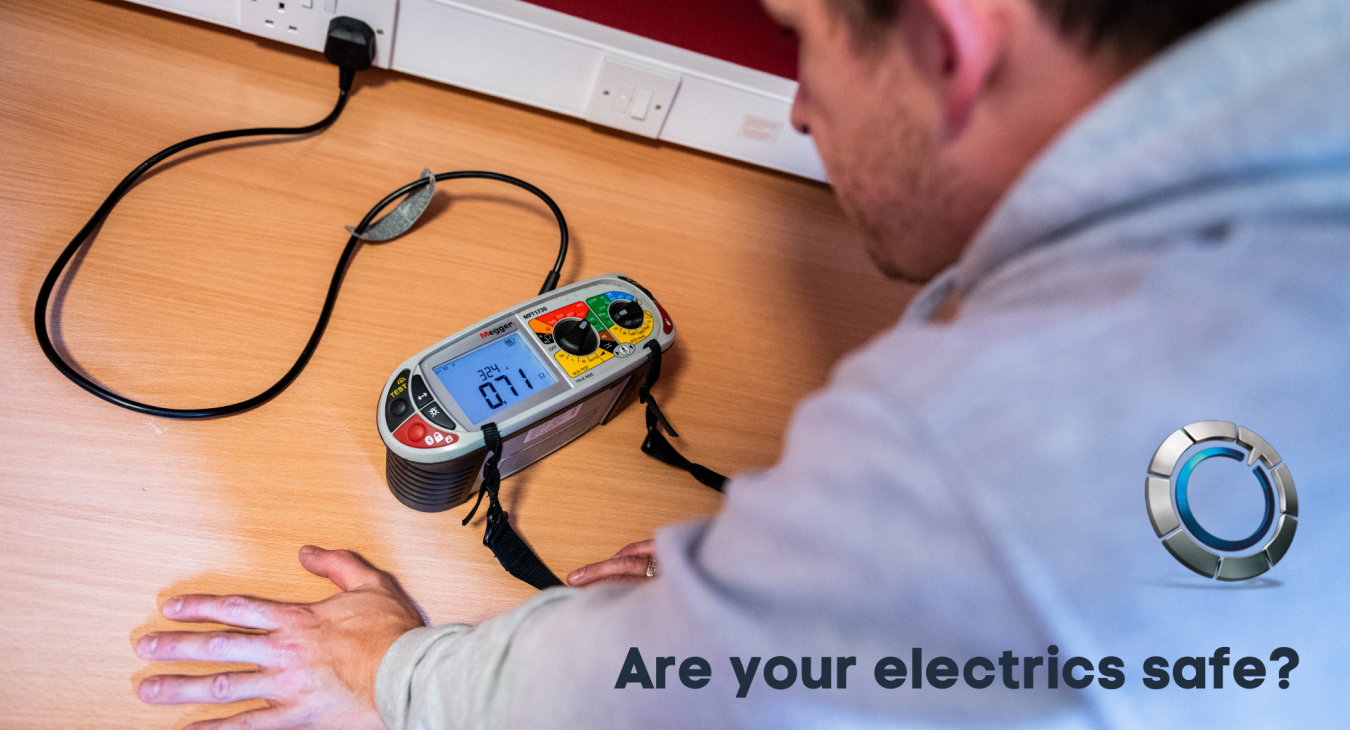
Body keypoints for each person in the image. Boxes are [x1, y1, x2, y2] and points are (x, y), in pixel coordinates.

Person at [135, 0, 1350, 727]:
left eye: (806, 39)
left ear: (946, 45)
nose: (805, 113)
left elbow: (640, 706)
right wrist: (817, 578)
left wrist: (394, 671)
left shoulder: (989, 434)